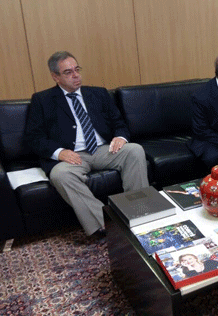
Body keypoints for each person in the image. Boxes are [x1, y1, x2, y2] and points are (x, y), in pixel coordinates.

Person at [24, 51, 149, 236]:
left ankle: (139, 213)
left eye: (77, 69)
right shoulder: (42, 100)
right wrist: (59, 152)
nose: (76, 75)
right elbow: (34, 137)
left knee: (135, 150)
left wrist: (120, 137)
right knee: (60, 175)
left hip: (104, 150)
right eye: (68, 72)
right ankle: (108, 223)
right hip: (72, 156)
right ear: (55, 77)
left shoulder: (98, 93)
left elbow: (119, 123)